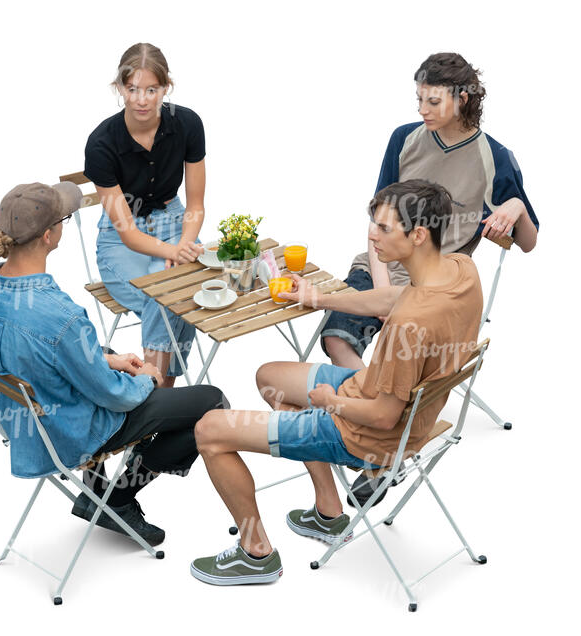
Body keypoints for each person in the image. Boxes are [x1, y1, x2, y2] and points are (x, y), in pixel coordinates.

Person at [189, 179, 483, 585]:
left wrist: (328, 402)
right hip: (380, 396)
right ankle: (328, 512)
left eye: (383, 228)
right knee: (269, 376)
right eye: (373, 224)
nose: (371, 235)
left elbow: (382, 416)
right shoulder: (459, 271)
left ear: (417, 235)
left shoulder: (410, 326)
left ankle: (255, 552)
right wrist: (316, 298)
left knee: (209, 431)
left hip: (366, 434)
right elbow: (391, 299)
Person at [0, 181, 227, 546]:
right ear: (48, 235)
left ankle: (96, 492)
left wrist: (110, 359)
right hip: (69, 431)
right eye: (65, 219)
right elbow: (115, 397)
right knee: (213, 401)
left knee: (103, 347)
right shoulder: (62, 316)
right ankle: (116, 498)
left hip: (24, 421)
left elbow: (35, 351)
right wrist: (148, 379)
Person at [321, 52, 539, 372]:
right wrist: (382, 292)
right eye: (419, 99)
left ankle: (380, 408)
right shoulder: (404, 138)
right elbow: (377, 221)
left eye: (433, 102)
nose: (423, 110)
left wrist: (517, 205)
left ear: (462, 99)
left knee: (405, 360)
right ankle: (373, 403)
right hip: (382, 269)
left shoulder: (495, 157)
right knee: (337, 337)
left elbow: (528, 242)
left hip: (436, 289)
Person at [84, 42, 206, 387]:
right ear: (119, 88)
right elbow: (126, 232)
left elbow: (195, 205)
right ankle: (164, 393)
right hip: (123, 240)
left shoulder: (187, 124)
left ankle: (157, 396)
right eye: (133, 89)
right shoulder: (101, 144)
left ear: (165, 88)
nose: (141, 99)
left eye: (152, 89)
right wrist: (173, 254)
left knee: (179, 292)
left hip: (175, 223)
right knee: (166, 295)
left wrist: (183, 243)